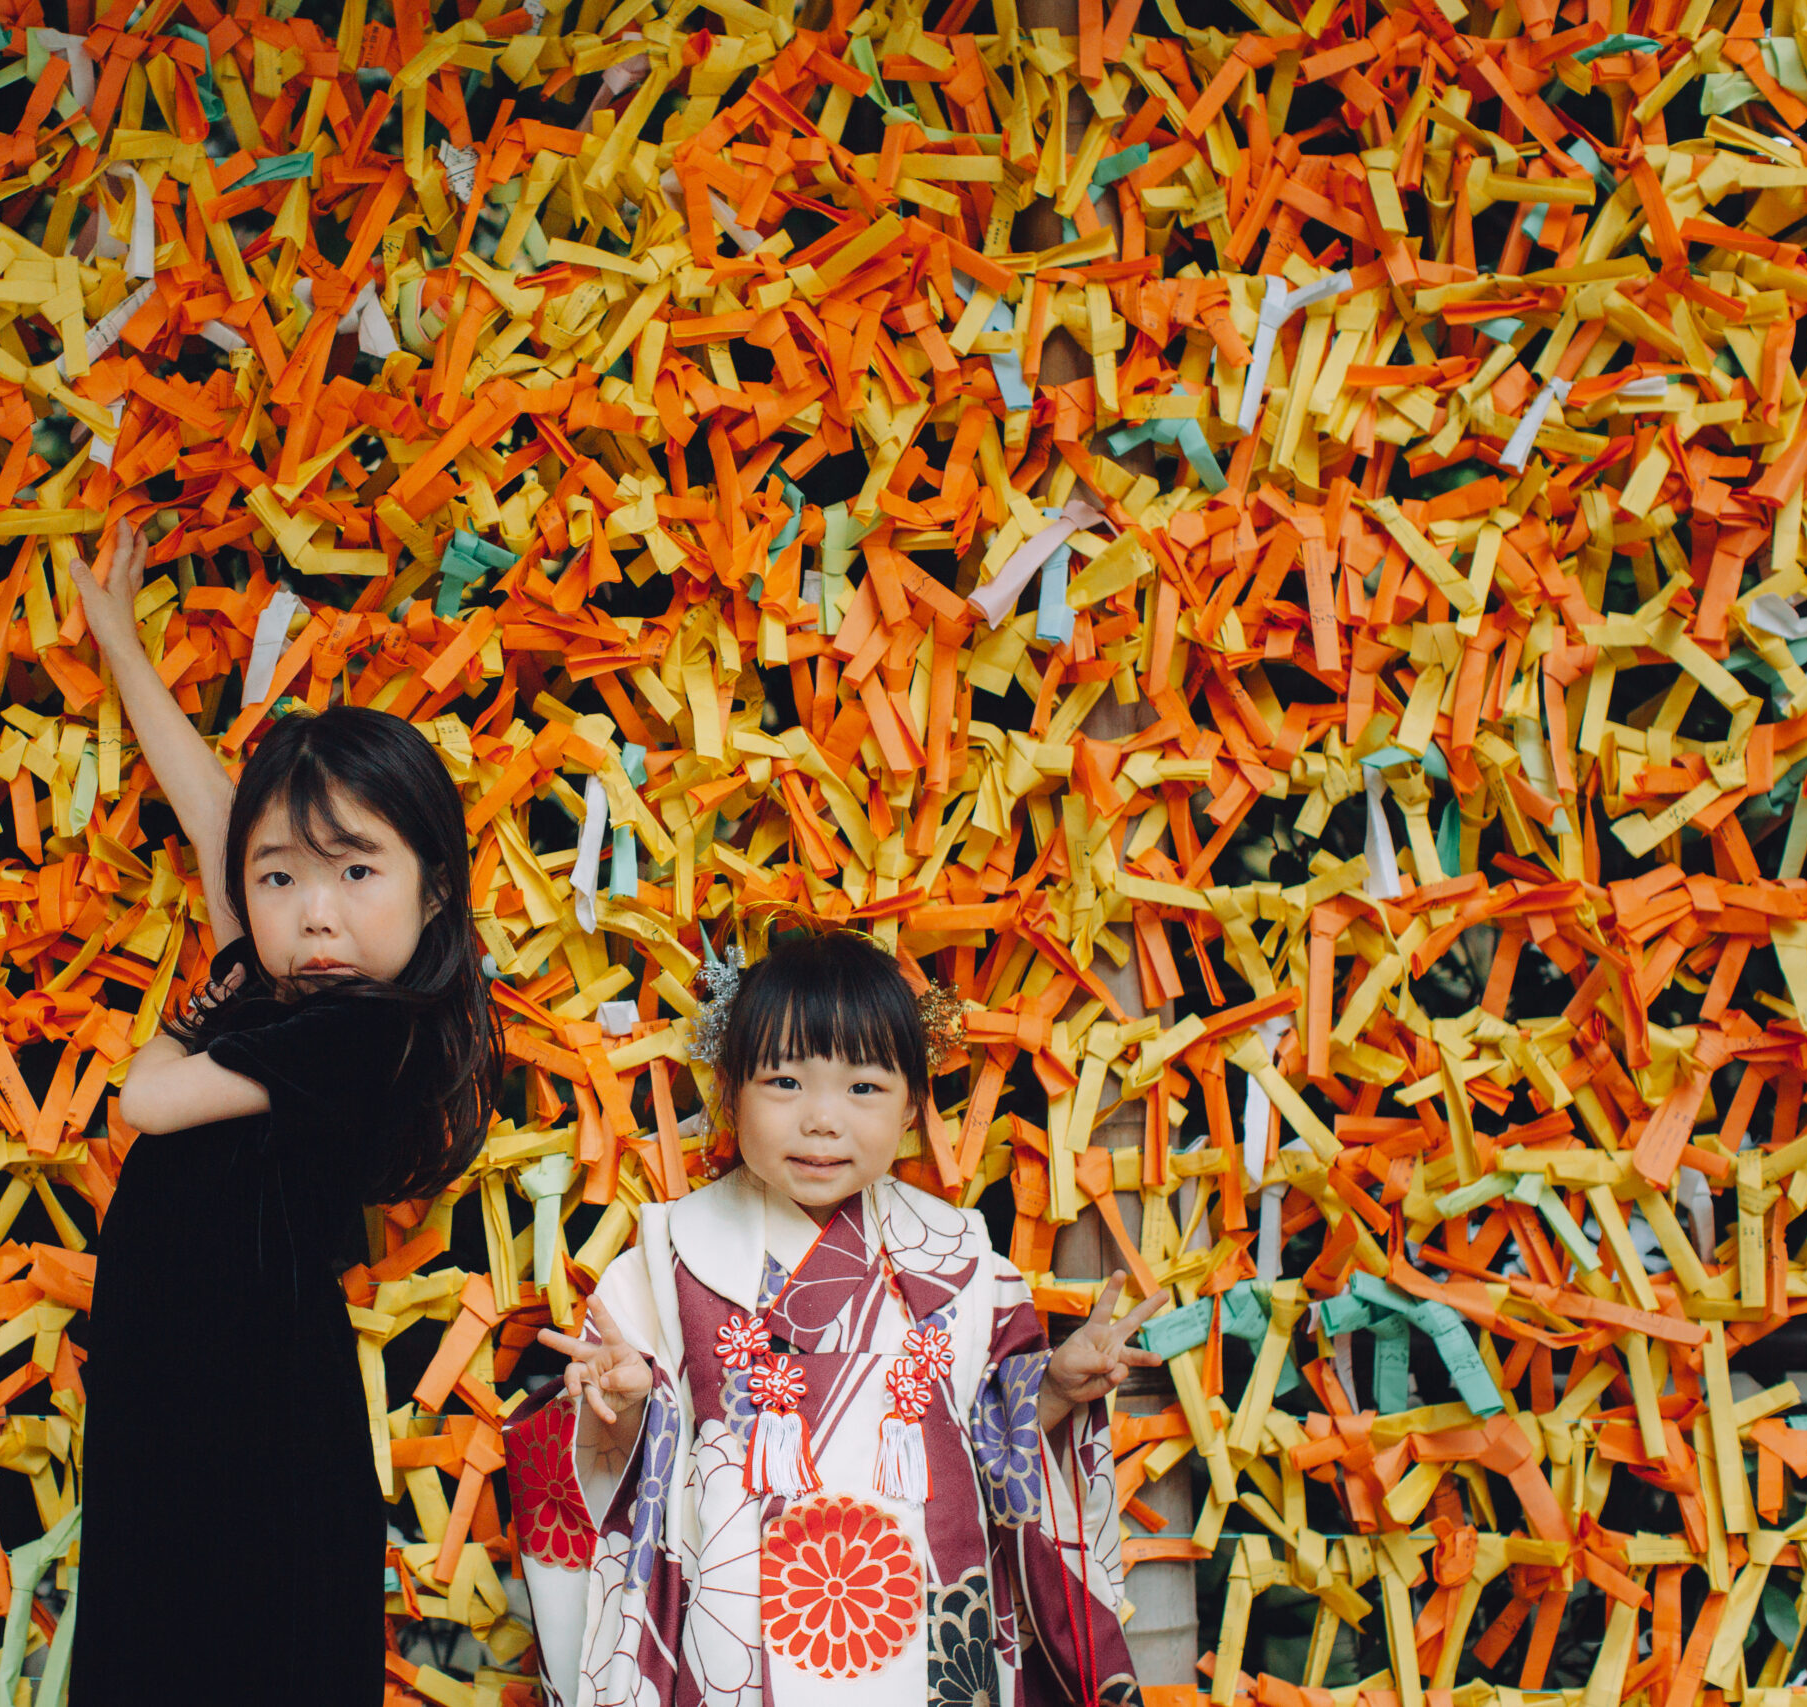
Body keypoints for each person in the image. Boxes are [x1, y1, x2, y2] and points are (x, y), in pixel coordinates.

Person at [67, 520, 501, 1704]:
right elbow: (220, 816)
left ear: (433, 890)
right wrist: (121, 642)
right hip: (182, 1385)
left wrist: (216, 981)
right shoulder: (289, 992)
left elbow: (143, 1099)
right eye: (284, 880)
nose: (315, 914)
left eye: (356, 873)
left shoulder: (359, 1030)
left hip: (243, 1404)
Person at [507, 930, 1164, 1707]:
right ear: (729, 1091)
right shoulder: (666, 1257)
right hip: (735, 1635)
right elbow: (611, 1467)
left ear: (915, 1105)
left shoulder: (960, 1255)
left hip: (926, 1624)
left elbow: (997, 1436)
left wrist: (1051, 1387)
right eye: (785, 1081)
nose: (822, 1119)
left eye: (863, 1087)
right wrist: (623, 1406)